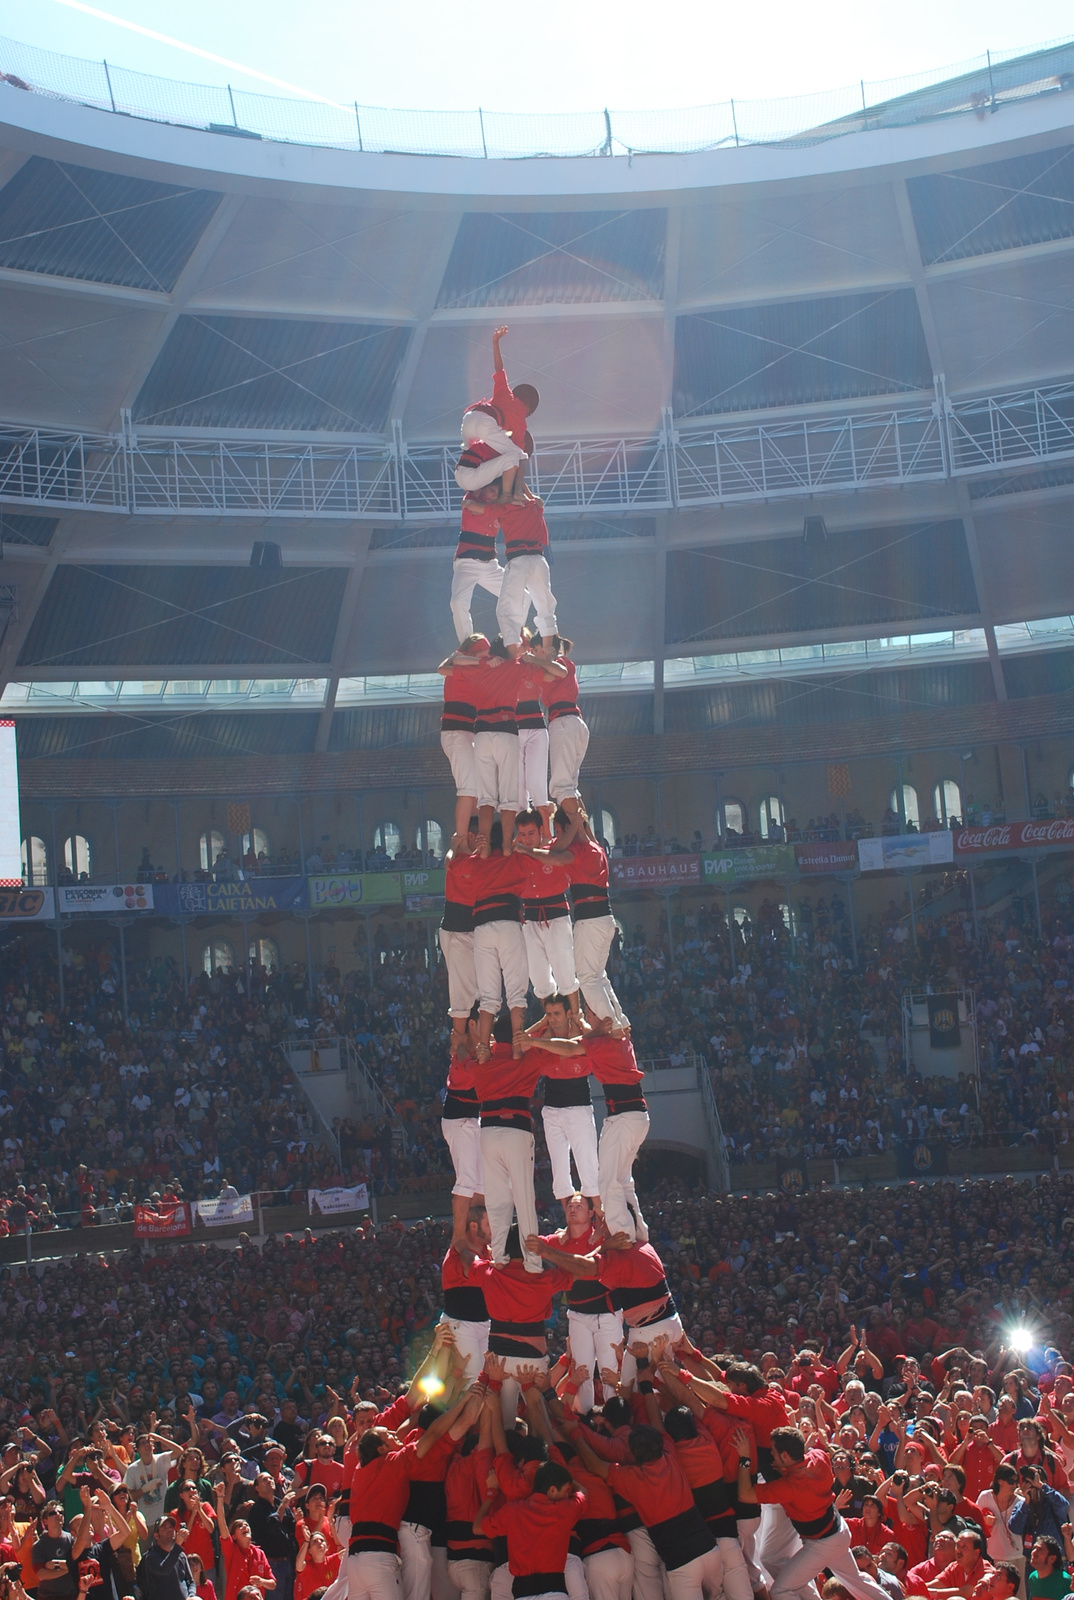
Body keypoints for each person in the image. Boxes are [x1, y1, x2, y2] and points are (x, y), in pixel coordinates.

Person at [733, 1426, 894, 1600]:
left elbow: (745, 1495)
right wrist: (786, 1468)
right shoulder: (818, 1457)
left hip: (822, 1543)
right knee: (856, 1580)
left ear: (785, 1456)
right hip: (839, 1531)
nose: (770, 1454)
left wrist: (745, 1458)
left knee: (781, 1591)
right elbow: (804, 1465)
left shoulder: (788, 1486)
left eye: (773, 1451)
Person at [466, 1229, 573, 1424]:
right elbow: (572, 1272)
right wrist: (550, 1249)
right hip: (531, 1356)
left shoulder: (489, 1273)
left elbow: (469, 1263)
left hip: (499, 1358)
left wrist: (491, 1256)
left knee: (502, 1420)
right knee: (542, 1421)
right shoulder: (544, 1277)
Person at [525, 994, 597, 1217]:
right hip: (552, 1109)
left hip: (578, 1107)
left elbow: (568, 1048)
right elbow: (520, 1041)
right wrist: (542, 1023)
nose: (553, 1019)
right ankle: (570, 1221)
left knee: (589, 1167)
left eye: (557, 1014)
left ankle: (600, 1218)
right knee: (560, 1170)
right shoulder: (542, 1034)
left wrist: (576, 1019)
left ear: (567, 1013)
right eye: (549, 1014)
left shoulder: (581, 1033)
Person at [474, 1456, 585, 1600]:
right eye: (566, 1490)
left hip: (522, 1595)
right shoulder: (564, 1510)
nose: (567, 1495)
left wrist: (491, 1493)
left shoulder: (512, 1511)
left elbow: (477, 1528)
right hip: (555, 1593)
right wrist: (562, 1475)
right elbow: (583, 1492)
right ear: (552, 1490)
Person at [558, 810, 627, 1029]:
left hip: (590, 920)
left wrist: (525, 850)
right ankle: (620, 1020)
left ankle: (614, 1025)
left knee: (587, 979)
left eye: (560, 831)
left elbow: (555, 850)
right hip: (605, 918)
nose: (559, 836)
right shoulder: (596, 847)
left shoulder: (576, 850)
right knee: (598, 976)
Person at [511, 814, 583, 1027]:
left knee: (564, 969)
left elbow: (566, 842)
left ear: (542, 829)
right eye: (522, 834)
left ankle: (576, 1016)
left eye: (531, 833)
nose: (527, 838)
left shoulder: (554, 848)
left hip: (556, 915)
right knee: (538, 975)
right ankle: (550, 1018)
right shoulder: (517, 853)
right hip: (530, 919)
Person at [455, 326, 536, 502]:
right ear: (529, 409)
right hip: (485, 425)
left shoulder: (505, 394)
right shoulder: (521, 423)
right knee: (518, 457)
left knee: (474, 452)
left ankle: (474, 490)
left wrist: (495, 341)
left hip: (469, 419)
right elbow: (519, 456)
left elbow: (499, 368)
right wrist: (526, 492)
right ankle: (512, 495)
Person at [527, 639, 587, 822]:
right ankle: (587, 834)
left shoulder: (560, 662)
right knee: (569, 786)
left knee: (562, 786)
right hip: (572, 722)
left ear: (546, 649)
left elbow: (558, 672)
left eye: (537, 650)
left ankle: (581, 834)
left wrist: (532, 660)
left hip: (563, 722)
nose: (535, 654)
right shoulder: (550, 667)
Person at [442, 1002, 484, 1247]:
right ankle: (458, 1237)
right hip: (458, 1120)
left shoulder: (476, 1048)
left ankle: (476, 1236)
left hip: (473, 1119)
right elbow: (462, 1057)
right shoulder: (460, 1051)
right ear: (472, 1024)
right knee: (467, 1181)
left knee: (482, 1184)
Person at [440, 1206, 494, 1389]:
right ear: (473, 1226)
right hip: (461, 1326)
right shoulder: (458, 1252)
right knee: (472, 1380)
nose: (493, 1227)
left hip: (483, 1324)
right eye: (488, 1223)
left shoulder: (488, 1250)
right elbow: (471, 1266)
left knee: (488, 1376)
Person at [439, 638, 486, 844]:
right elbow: (443, 668)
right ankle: (460, 840)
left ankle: (473, 836)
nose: (486, 659)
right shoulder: (466, 669)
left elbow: (444, 667)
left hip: (464, 732)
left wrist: (457, 656)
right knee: (468, 789)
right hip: (457, 732)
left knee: (477, 790)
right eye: (483, 654)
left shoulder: (458, 665)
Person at [495, 502, 558, 656]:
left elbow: (482, 509)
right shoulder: (534, 504)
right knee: (545, 606)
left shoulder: (505, 505)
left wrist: (468, 503)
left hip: (519, 559)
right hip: (538, 558)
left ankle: (512, 656)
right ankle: (549, 651)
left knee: (507, 609)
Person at [451, 504, 504, 645]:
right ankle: (467, 646)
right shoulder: (474, 496)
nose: (493, 494)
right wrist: (496, 510)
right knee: (457, 602)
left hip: (490, 565)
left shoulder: (501, 503)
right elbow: (469, 504)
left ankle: (512, 641)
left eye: (496, 491)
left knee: (523, 597)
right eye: (491, 490)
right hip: (467, 563)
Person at [135, 1514, 197, 1600]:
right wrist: (178, 1545)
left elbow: (190, 1582)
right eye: (164, 1527)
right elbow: (164, 1569)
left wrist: (191, 1595)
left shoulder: (181, 1555)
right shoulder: (150, 1556)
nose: (169, 1530)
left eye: (171, 1527)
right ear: (156, 1536)